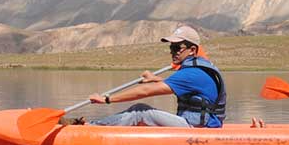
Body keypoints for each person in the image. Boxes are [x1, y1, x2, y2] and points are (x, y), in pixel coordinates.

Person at [86, 25, 226, 127]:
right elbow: (188, 87)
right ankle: (96, 126)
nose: (173, 52)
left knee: (140, 111)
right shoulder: (197, 70)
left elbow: (145, 91)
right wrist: (156, 79)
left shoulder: (191, 73)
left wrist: (107, 99)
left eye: (178, 48)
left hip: (196, 128)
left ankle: (92, 128)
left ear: (192, 50)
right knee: (141, 112)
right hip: (201, 124)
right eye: (172, 47)